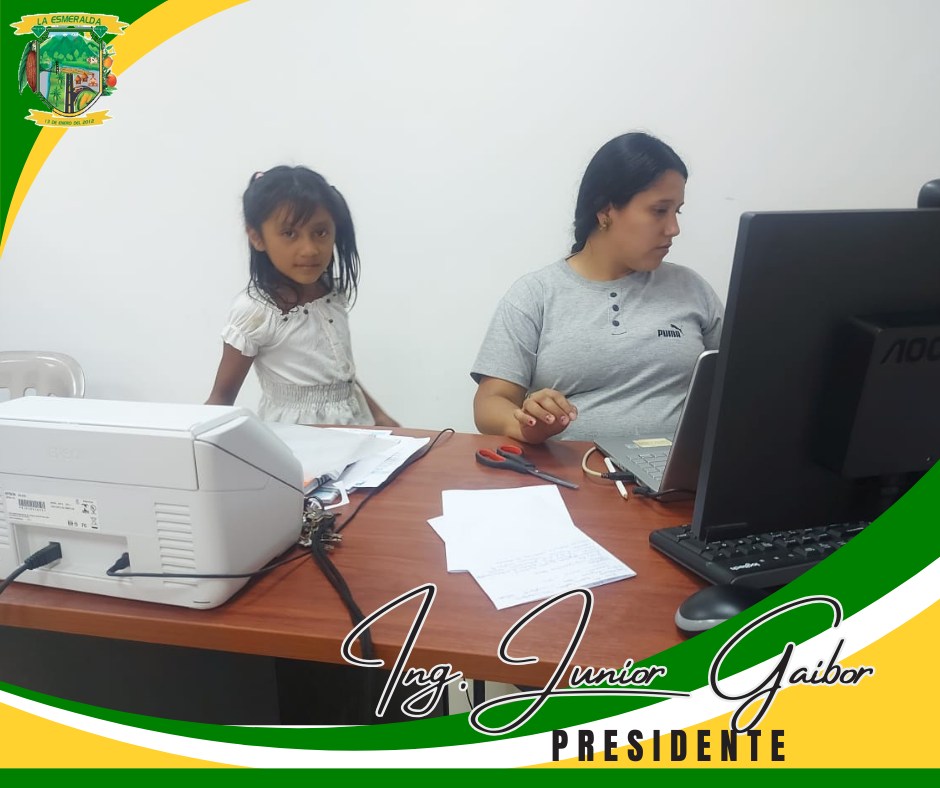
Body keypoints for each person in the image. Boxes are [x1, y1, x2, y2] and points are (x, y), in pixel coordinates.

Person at [471, 132, 723, 443]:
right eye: (660, 211)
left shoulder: (691, 288)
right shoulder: (535, 295)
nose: (674, 228)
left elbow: (737, 383)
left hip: (678, 472)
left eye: (677, 211)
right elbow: (490, 403)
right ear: (605, 211)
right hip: (576, 470)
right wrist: (527, 424)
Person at [206, 165, 398, 427]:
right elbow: (221, 398)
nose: (309, 249)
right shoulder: (256, 312)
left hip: (357, 429)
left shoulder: (332, 293)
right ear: (257, 237)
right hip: (296, 440)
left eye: (320, 232)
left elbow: (341, 377)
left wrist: (380, 416)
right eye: (289, 233)